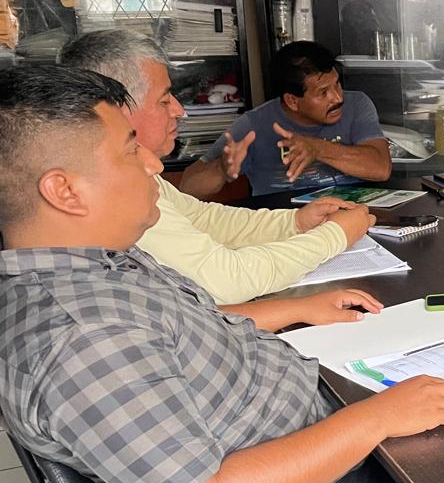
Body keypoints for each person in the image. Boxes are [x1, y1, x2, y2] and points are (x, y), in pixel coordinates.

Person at [0, 66, 444, 483]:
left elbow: (184, 324)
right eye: (130, 150)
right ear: (64, 190)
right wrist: (377, 418)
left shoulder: (98, 263)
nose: (155, 165)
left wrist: (295, 308)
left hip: (295, 453)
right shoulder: (83, 336)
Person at [61, 30, 376, 305]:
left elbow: (203, 218)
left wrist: (295, 222)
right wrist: (334, 236)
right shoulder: (112, 187)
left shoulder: (137, 172)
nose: (180, 110)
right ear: (116, 109)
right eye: (165, 99)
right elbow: (228, 280)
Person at [180, 41, 392, 198]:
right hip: (285, 228)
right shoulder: (254, 125)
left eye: (337, 84)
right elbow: (187, 188)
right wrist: (221, 169)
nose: (337, 98)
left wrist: (317, 149)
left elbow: (381, 168)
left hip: (351, 220)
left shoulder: (357, 105)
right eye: (323, 92)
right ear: (292, 101)